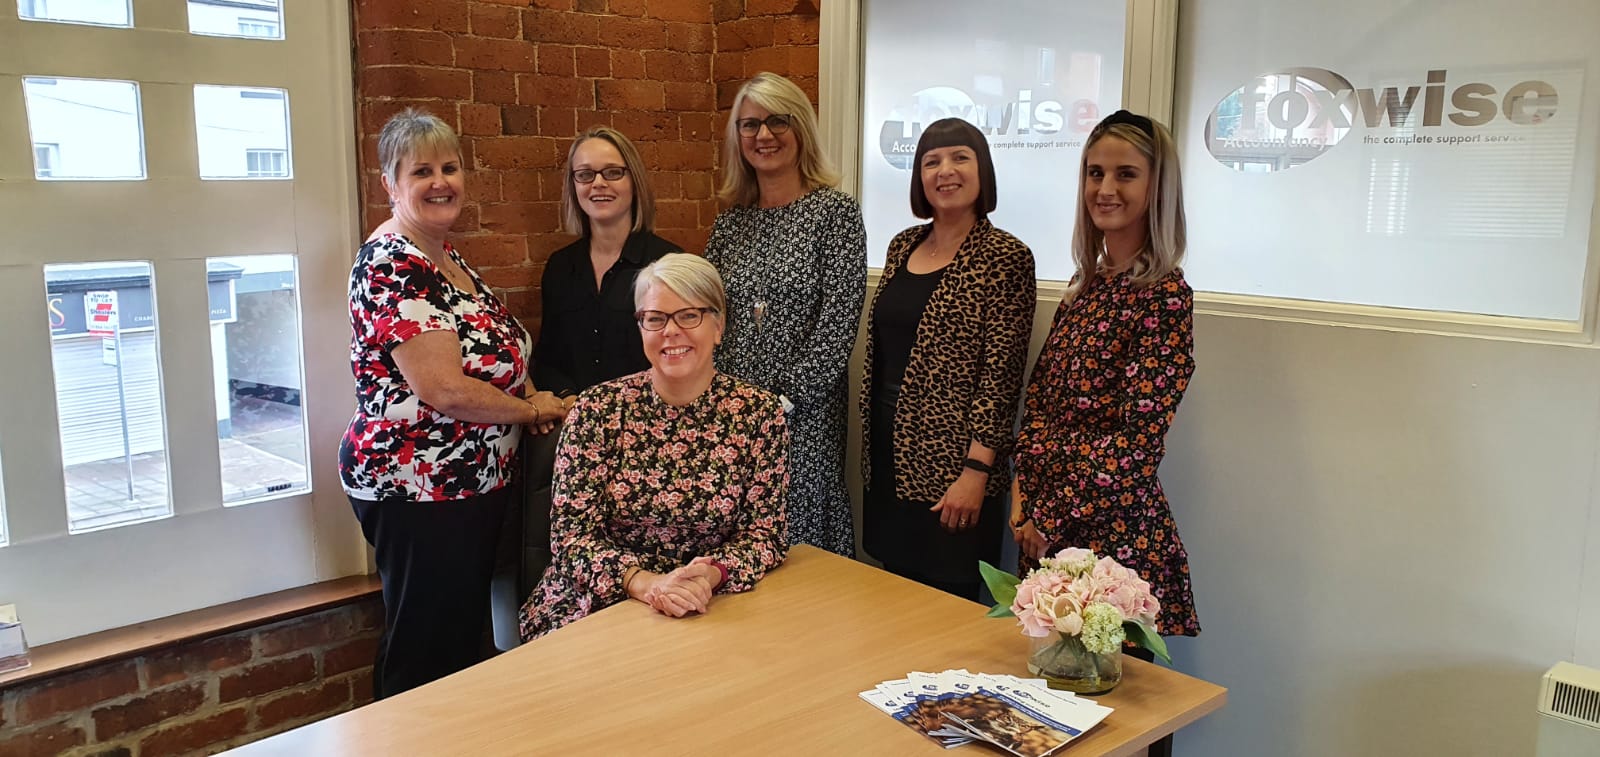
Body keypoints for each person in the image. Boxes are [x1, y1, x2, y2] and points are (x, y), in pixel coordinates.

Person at [340, 108, 567, 699]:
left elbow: (490, 354)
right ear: (389, 184)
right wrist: (532, 410)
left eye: (450, 167)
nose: (440, 182)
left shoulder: (440, 253)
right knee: (425, 651)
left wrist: (525, 396)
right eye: (421, 171)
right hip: (419, 485)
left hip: (465, 484)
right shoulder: (394, 263)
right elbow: (443, 389)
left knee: (457, 640)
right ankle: (405, 738)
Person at [518, 254, 789, 641]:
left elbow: (765, 535)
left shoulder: (758, 413)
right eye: (656, 318)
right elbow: (571, 540)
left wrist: (710, 575)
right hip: (597, 603)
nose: (671, 331)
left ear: (718, 326)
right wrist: (647, 584)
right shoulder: (597, 410)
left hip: (710, 602)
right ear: (641, 327)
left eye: (689, 316)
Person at [1010, 110, 1200, 639]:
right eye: (1095, 173)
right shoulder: (1086, 285)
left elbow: (1136, 445)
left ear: (1157, 187)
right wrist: (1023, 496)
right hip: (1045, 533)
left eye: (1125, 174)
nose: (1106, 189)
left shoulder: (1163, 297)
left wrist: (1050, 516)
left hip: (1112, 546)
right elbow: (1040, 404)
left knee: (1113, 689)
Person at [860, 118, 1036, 601]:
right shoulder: (903, 245)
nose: (945, 171)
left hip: (956, 469)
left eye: (960, 158)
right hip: (889, 457)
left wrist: (976, 472)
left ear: (984, 171)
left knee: (948, 606)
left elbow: (1002, 377)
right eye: (931, 161)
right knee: (891, 594)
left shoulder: (1005, 256)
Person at [704, 71, 866, 558]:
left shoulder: (835, 214)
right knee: (736, 537)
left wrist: (783, 402)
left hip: (805, 413)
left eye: (778, 121)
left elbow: (837, 323)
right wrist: (722, 400)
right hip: (732, 412)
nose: (764, 135)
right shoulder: (730, 223)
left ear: (802, 130)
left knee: (799, 543)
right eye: (750, 124)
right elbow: (708, 314)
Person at [533, 126, 682, 405]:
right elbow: (548, 358)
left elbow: (680, 358)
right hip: (576, 418)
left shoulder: (669, 263)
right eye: (585, 174)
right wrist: (568, 399)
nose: (598, 183)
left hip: (650, 417)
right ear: (573, 185)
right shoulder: (560, 267)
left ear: (634, 181)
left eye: (613, 172)